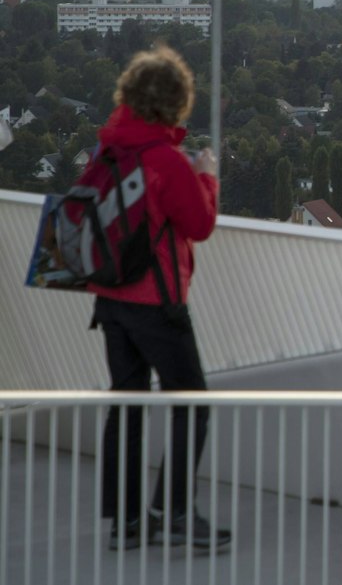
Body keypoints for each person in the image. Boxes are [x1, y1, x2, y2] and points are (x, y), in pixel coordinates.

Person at [90, 46, 230, 553]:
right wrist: (207, 175)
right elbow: (200, 224)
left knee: (126, 404)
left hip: (110, 300)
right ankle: (172, 510)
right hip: (158, 302)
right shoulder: (165, 160)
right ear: (177, 101)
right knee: (191, 402)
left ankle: (126, 523)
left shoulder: (107, 152)